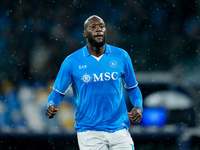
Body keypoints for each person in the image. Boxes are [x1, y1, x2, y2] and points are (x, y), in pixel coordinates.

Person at [46, 15, 143, 150]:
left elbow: (132, 88)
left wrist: (138, 106)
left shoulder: (121, 56)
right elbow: (57, 93)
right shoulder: (72, 62)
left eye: (101, 27)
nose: (98, 30)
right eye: (93, 27)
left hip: (120, 129)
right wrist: (51, 104)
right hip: (90, 132)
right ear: (85, 33)